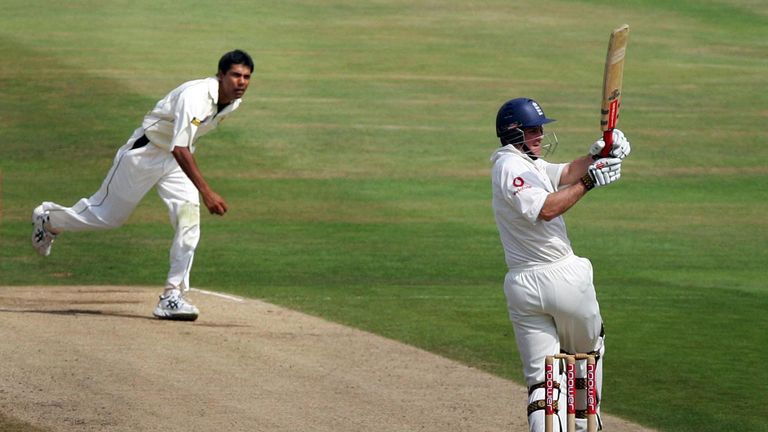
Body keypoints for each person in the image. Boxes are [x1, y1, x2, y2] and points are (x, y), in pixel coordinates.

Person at [31, 49, 254, 322]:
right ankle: (49, 219)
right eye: (235, 75)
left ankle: (173, 295)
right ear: (220, 75)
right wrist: (207, 192)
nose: (241, 82)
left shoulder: (232, 102)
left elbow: (183, 147)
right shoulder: (195, 96)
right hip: (144, 154)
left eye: (246, 77)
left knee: (189, 222)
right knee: (106, 217)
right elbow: (180, 147)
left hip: (175, 163)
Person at [490, 98, 630, 431]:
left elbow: (565, 172)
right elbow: (547, 209)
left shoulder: (526, 163)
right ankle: (584, 427)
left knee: (543, 384)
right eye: (533, 129)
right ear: (513, 132)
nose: (540, 135)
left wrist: (598, 156)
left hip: (523, 287)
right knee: (585, 357)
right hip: (563, 278)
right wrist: (590, 181)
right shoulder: (510, 166)